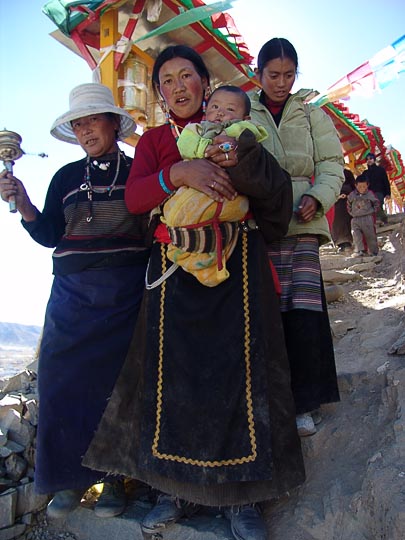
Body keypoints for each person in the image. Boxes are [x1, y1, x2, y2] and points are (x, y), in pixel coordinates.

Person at [83, 45, 304, 540]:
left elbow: (276, 193)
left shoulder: (237, 131)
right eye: (167, 80)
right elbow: (137, 197)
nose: (178, 86)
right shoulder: (156, 141)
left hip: (237, 269)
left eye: (188, 76)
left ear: (206, 85)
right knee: (174, 385)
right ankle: (173, 493)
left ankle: (241, 501)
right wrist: (177, 173)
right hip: (174, 273)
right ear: (160, 91)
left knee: (239, 380)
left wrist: (239, 162)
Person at [0, 83, 149, 519]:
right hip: (70, 297)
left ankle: (116, 480)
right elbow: (49, 234)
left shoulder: (138, 172)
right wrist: (22, 200)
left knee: (116, 388)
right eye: (78, 124)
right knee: (60, 384)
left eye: (92, 121)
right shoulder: (65, 177)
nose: (85, 130)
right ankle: (68, 480)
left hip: (124, 296)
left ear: (113, 124)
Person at [250, 37, 344, 437]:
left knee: (303, 310)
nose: (281, 83)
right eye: (273, 75)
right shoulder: (245, 108)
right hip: (260, 225)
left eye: (289, 75)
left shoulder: (311, 113)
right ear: (258, 74)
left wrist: (317, 197)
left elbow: (331, 163)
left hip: (303, 225)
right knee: (267, 313)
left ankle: (305, 403)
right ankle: (272, 400)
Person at [163, 84, 268, 286]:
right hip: (197, 187)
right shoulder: (196, 130)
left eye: (230, 109)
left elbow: (255, 142)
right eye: (215, 107)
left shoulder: (243, 130)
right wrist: (205, 149)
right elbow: (184, 146)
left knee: (227, 220)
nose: (220, 113)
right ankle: (188, 258)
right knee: (179, 214)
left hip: (229, 192)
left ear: (245, 118)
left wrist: (236, 144)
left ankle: (211, 267)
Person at [347, 176, 380, 256]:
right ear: (355, 185)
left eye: (364, 186)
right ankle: (360, 251)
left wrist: (373, 211)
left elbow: (376, 203)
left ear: (367, 185)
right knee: (356, 236)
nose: (362, 188)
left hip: (367, 218)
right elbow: (348, 204)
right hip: (355, 219)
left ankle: (374, 252)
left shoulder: (370, 194)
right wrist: (352, 213)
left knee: (370, 235)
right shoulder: (352, 195)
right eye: (359, 186)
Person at [357, 152, 391, 224]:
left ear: (374, 160)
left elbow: (386, 181)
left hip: (379, 191)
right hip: (368, 193)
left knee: (377, 205)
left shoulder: (380, 170)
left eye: (371, 159)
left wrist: (388, 193)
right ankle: (377, 222)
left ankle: (383, 219)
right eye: (367, 159)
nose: (369, 160)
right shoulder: (365, 173)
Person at [331, 168, 356, 253]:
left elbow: (354, 188)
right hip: (335, 202)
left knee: (346, 223)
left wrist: (349, 196)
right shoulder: (331, 173)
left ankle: (347, 242)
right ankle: (340, 243)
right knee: (336, 223)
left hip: (346, 203)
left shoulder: (347, 173)